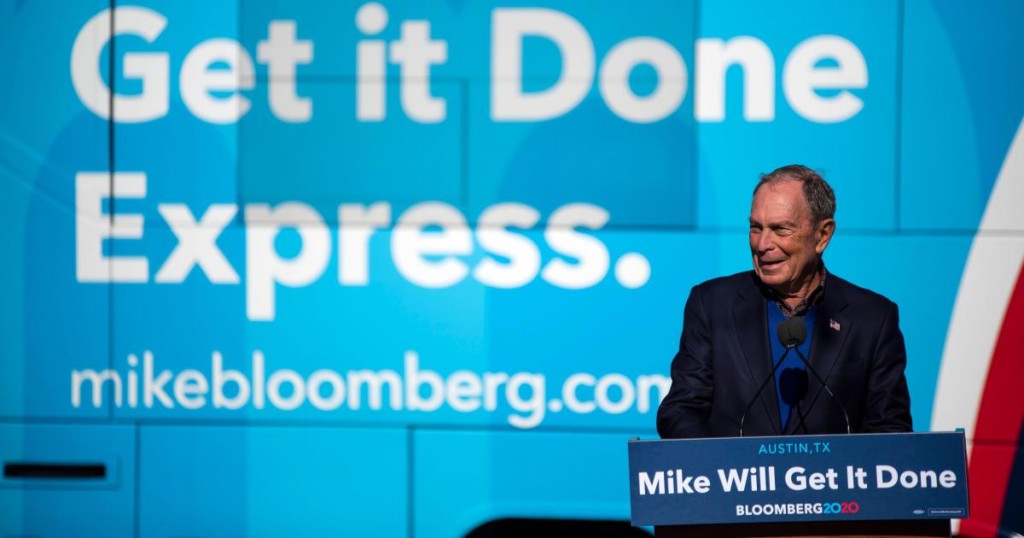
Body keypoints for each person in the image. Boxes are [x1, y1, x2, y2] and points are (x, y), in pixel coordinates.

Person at [656, 164, 913, 439]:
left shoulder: (872, 318)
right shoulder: (712, 305)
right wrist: (721, 468)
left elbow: (890, 432)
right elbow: (681, 411)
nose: (763, 244)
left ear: (822, 235)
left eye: (780, 229)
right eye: (756, 228)